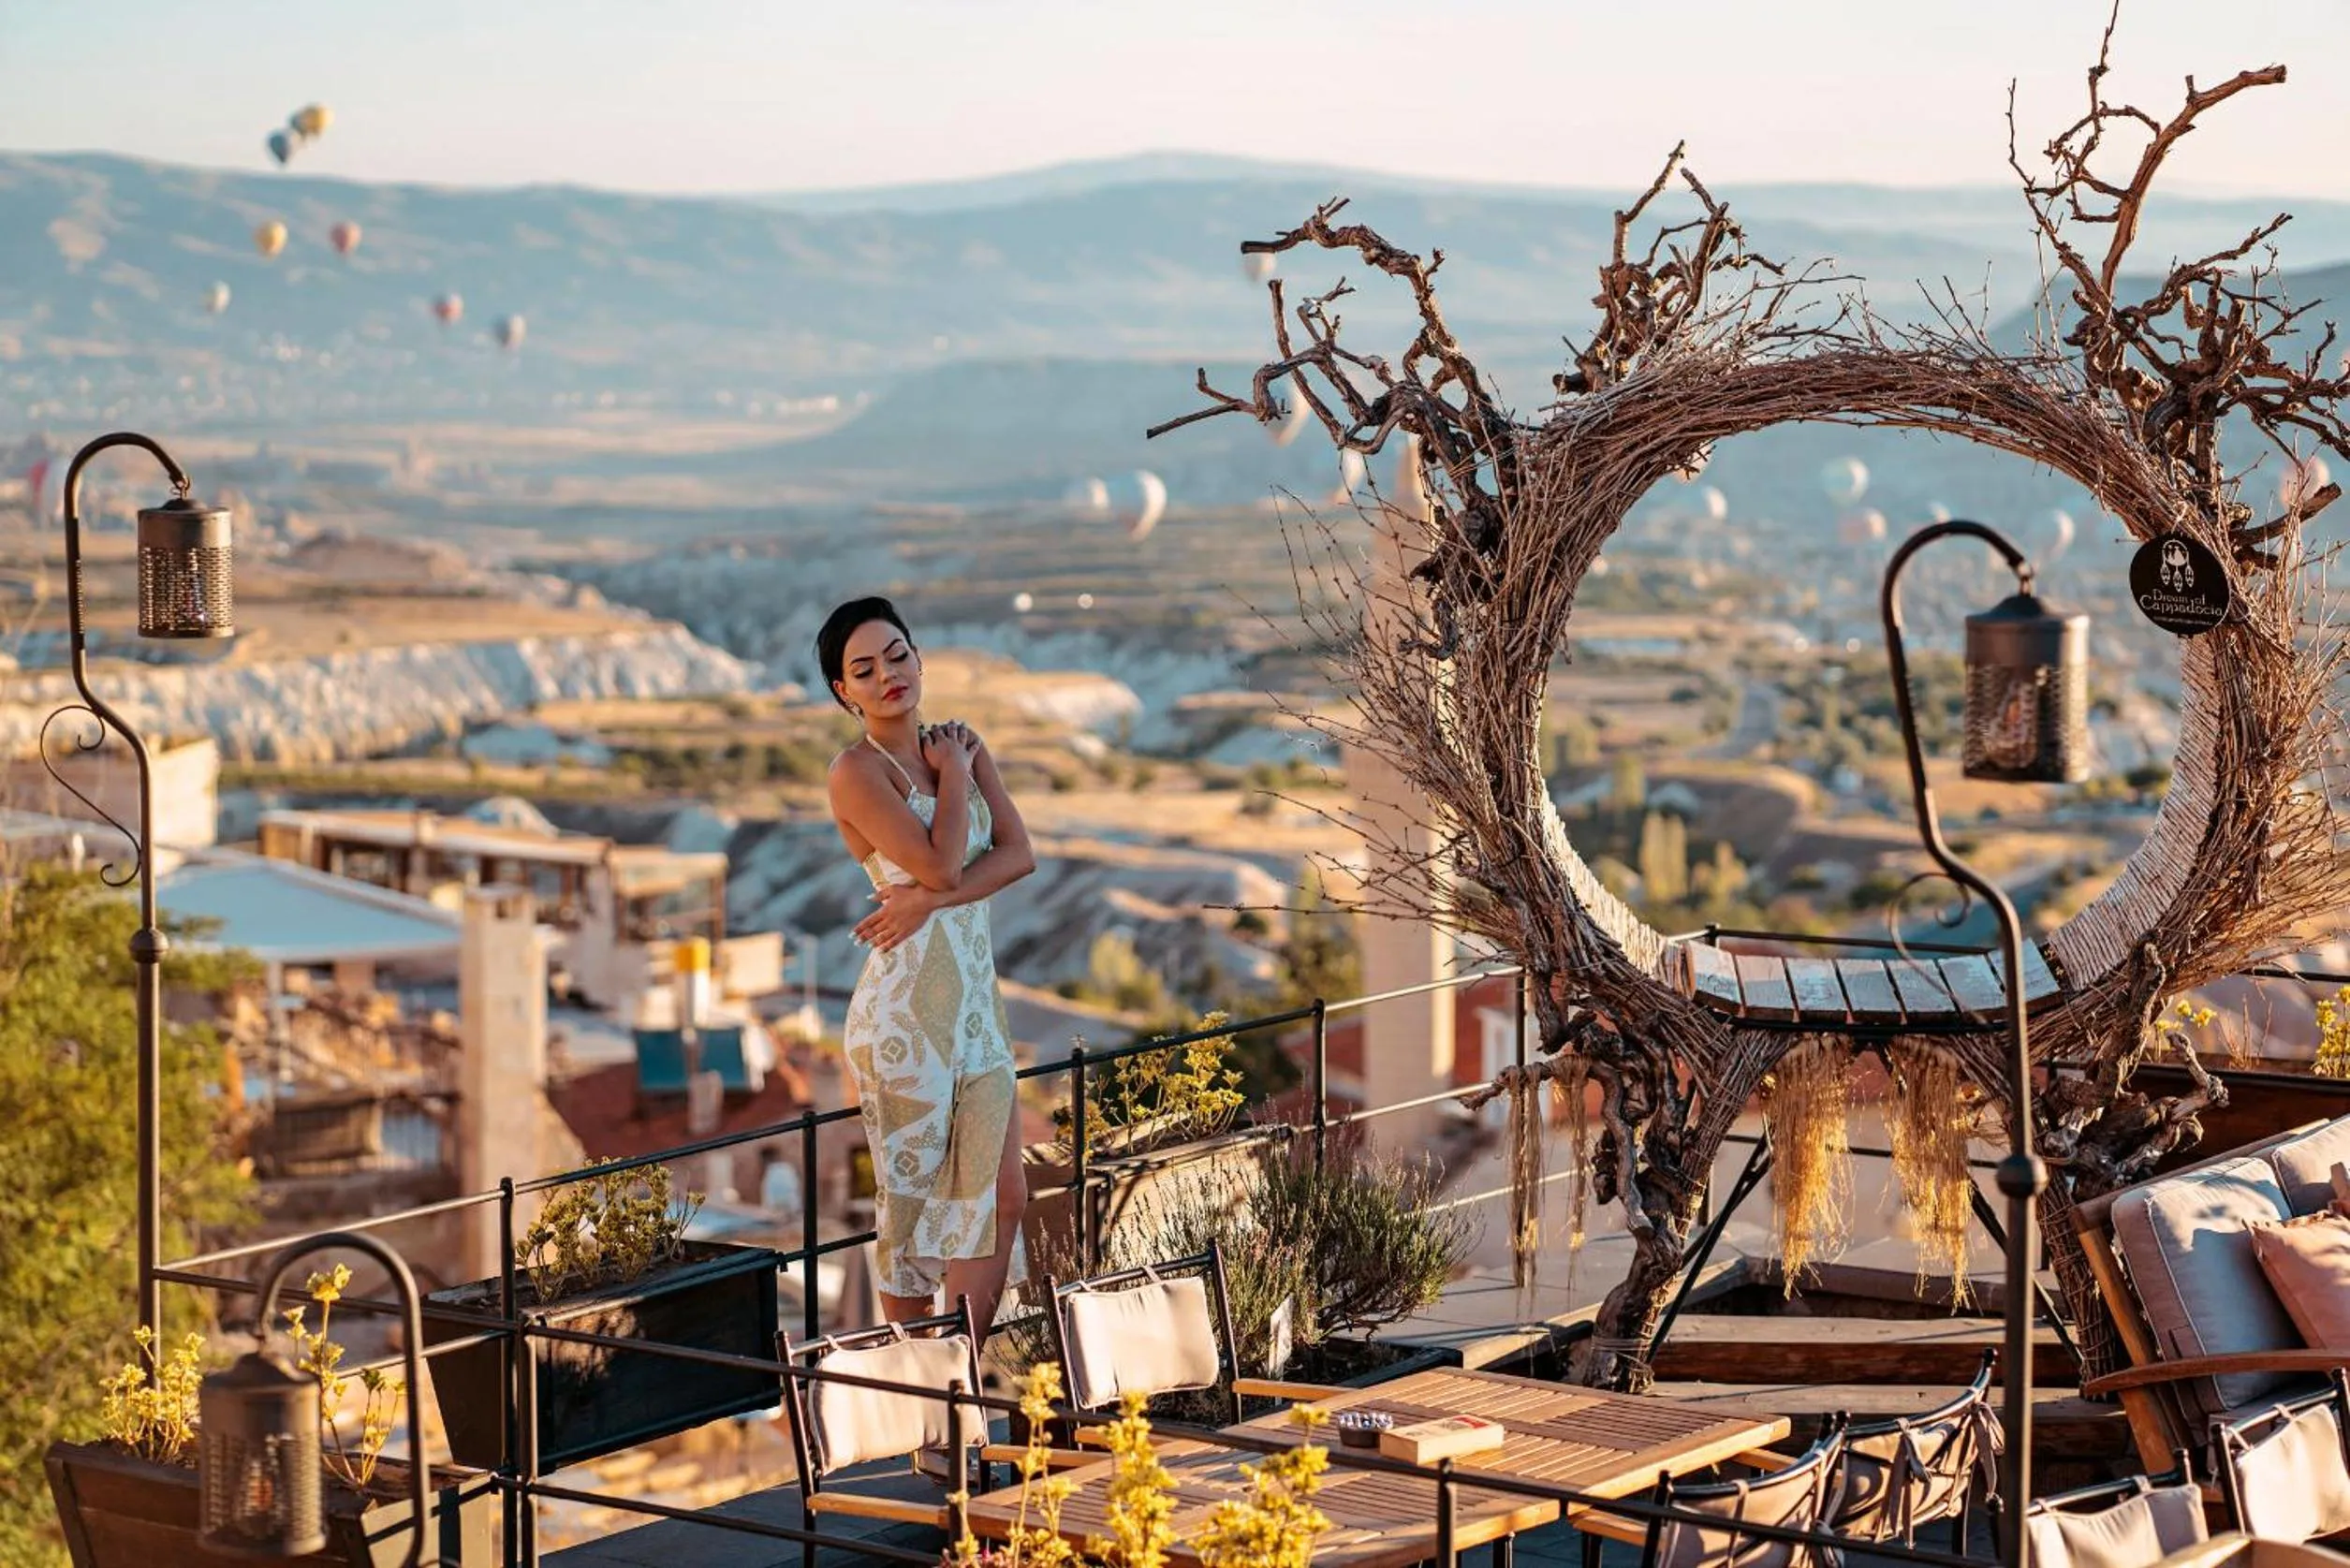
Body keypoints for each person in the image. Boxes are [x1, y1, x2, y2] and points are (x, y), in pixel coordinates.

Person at [819, 596, 1035, 1336]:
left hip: (978, 1006)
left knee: (1003, 1196)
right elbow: (942, 865)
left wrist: (926, 906)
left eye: (898, 654)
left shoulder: (963, 748)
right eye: (864, 669)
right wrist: (949, 777)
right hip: (905, 1016)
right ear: (844, 693)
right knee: (911, 1218)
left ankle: (963, 1384)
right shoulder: (856, 772)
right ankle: (928, 1407)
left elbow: (1019, 853)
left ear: (919, 657)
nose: (888, 675)